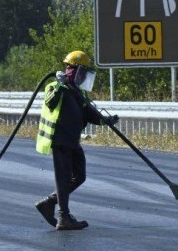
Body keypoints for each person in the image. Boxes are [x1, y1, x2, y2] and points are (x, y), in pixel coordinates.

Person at [34, 50, 117, 231]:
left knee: (79, 176)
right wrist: (59, 85)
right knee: (63, 178)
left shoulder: (77, 92)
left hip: (73, 141)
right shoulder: (56, 87)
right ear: (73, 69)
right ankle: (63, 217)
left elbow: (89, 113)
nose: (84, 77)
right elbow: (50, 102)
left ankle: (49, 203)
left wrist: (106, 121)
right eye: (83, 72)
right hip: (60, 140)